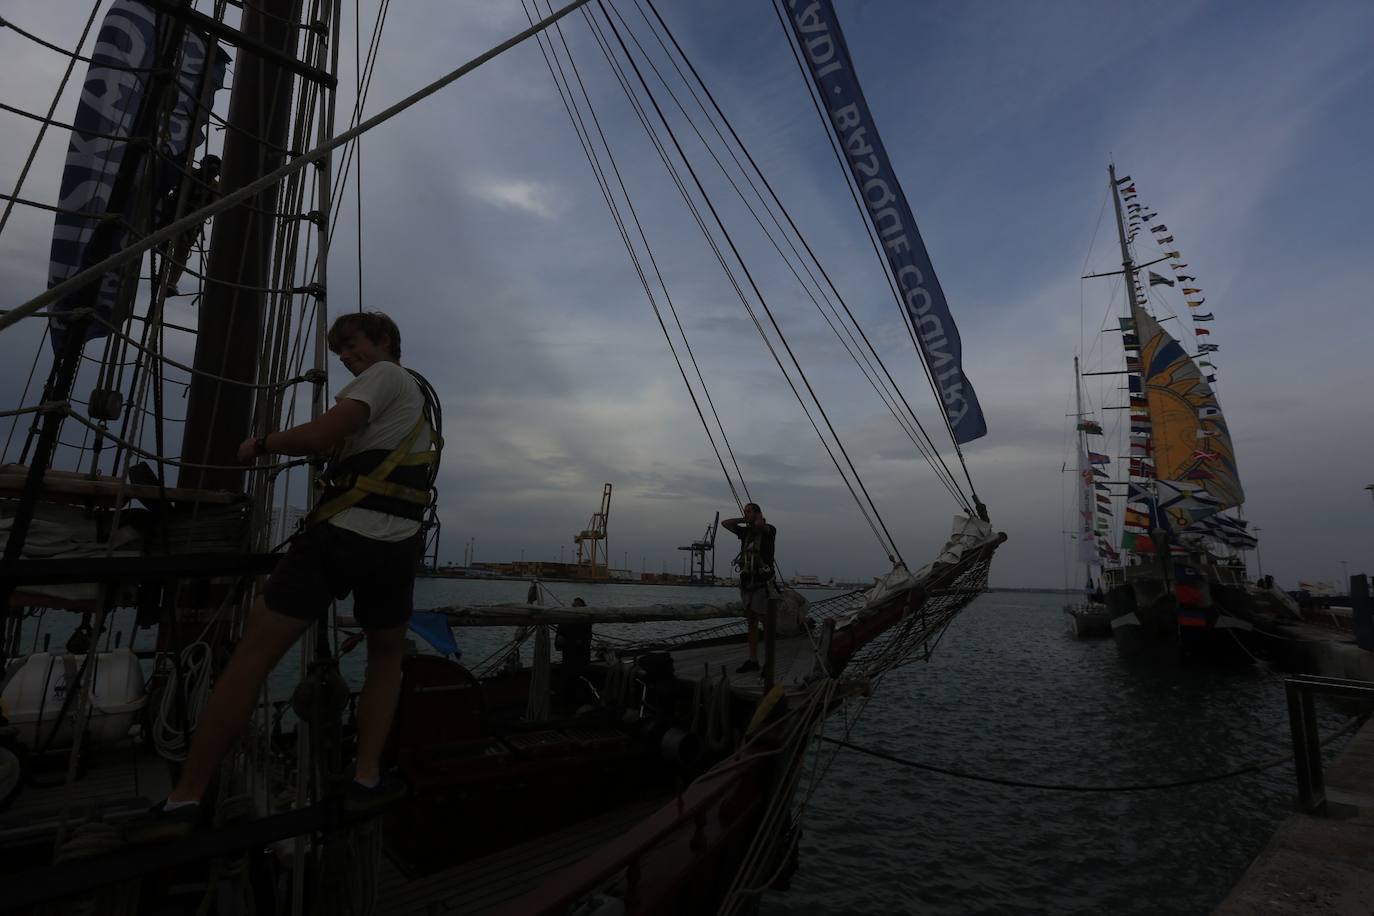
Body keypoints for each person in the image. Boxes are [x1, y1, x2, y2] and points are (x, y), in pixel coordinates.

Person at [136, 311, 440, 840]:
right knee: (385, 657)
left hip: (342, 536)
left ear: (385, 341)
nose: (346, 357)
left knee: (252, 657)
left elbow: (320, 436)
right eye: (340, 351)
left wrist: (262, 444)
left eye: (353, 344)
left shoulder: (385, 375)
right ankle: (366, 777)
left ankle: (186, 798)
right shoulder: (415, 398)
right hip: (397, 547)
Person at [721, 503, 777, 674]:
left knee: (766, 623)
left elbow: (761, 526)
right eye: (745, 511)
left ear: (758, 513)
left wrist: (758, 519)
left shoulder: (769, 530)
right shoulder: (745, 532)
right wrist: (743, 519)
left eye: (749, 511)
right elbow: (725, 523)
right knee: (751, 622)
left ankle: (768, 662)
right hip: (747, 585)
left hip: (762, 584)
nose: (746, 513)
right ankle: (753, 660)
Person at [157, 154, 220, 296]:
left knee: (182, 251)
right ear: (202, 164)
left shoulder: (214, 188)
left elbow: (214, 207)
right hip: (171, 212)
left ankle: (172, 282)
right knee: (173, 247)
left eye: (214, 170)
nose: (211, 172)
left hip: (190, 222)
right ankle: (168, 277)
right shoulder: (188, 173)